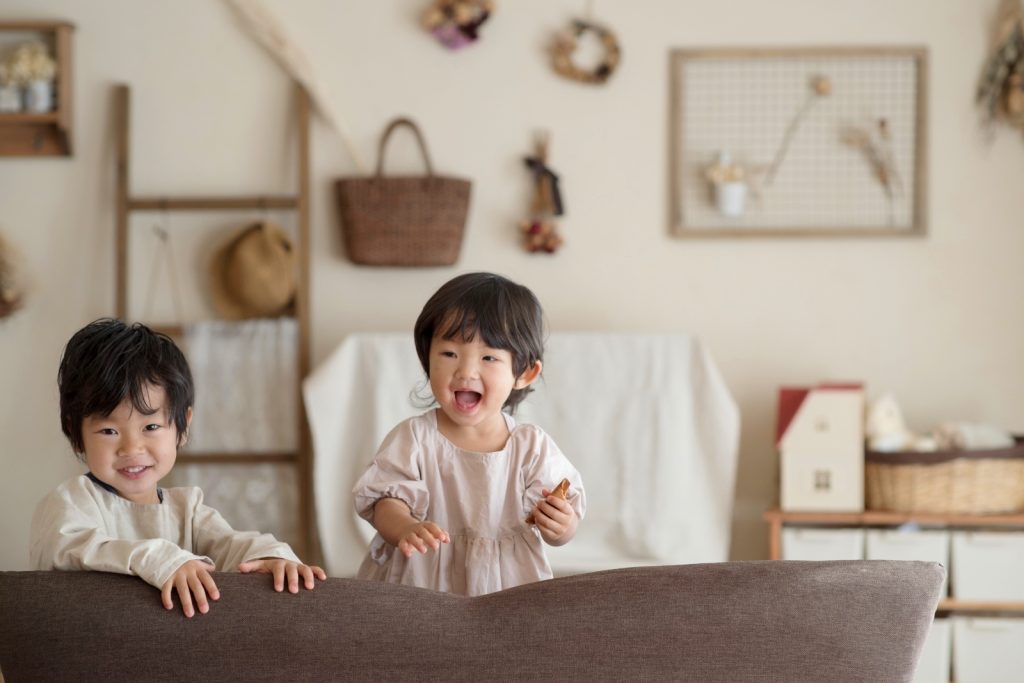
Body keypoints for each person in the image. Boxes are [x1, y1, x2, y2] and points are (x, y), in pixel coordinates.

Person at [30, 318, 326, 617]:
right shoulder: (71, 501)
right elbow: (65, 548)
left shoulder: (188, 510)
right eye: (109, 431)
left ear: (182, 427)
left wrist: (273, 557)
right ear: (75, 432)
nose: (132, 448)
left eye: (152, 426)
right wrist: (162, 559)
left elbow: (231, 544)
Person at [352, 272, 585, 596]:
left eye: (489, 357)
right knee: (412, 646)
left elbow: (561, 515)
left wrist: (561, 526)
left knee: (501, 645)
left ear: (524, 373)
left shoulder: (530, 447)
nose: (466, 371)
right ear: (427, 358)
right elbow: (385, 501)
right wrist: (405, 527)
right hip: (421, 580)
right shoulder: (415, 438)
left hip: (505, 584)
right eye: (449, 354)